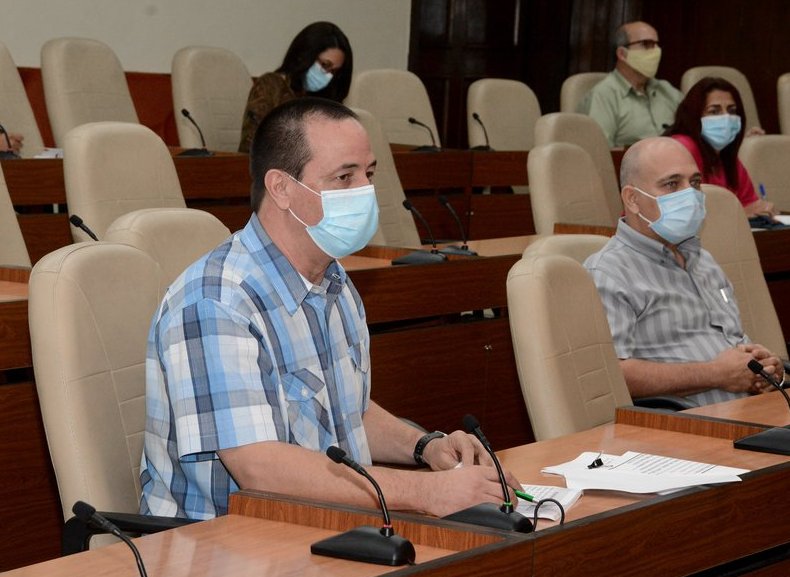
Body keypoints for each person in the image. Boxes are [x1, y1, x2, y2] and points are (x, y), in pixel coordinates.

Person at [140, 97, 520, 520]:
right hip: (216, 547)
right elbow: (259, 467)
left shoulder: (334, 282)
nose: (365, 191)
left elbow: (346, 413)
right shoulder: (216, 302)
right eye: (344, 177)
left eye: (369, 174)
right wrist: (428, 493)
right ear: (281, 188)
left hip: (319, 526)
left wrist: (426, 447)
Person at [584, 136, 784, 406]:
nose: (689, 194)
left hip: (754, 412)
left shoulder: (704, 261)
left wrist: (763, 368)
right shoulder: (608, 272)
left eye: (695, 183)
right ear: (632, 199)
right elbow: (612, 374)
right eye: (672, 184)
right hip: (686, 428)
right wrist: (715, 374)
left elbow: (732, 343)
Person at [664, 76, 776, 219]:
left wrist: (762, 210)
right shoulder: (681, 149)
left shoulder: (727, 157)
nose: (726, 117)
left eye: (732, 110)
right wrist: (740, 214)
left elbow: (751, 205)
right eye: (714, 111)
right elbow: (681, 214)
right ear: (694, 115)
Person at [238, 21, 353, 153]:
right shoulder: (271, 86)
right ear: (304, 55)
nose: (328, 76)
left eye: (334, 72)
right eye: (325, 65)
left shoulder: (327, 101)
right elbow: (250, 149)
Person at [577, 21, 682, 148]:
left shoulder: (665, 89)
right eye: (646, 44)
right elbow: (599, 154)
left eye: (656, 45)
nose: (656, 51)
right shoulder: (603, 96)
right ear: (622, 54)